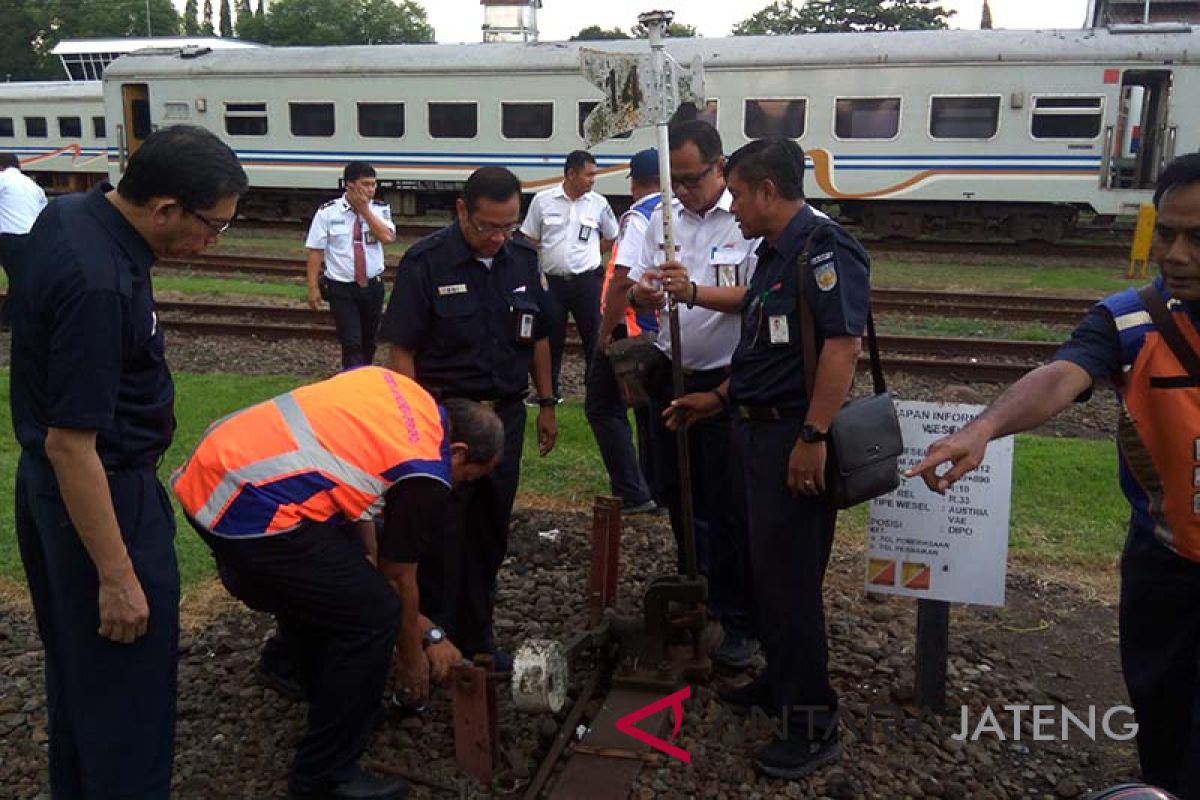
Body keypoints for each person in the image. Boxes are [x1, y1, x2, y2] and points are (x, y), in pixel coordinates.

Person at [907, 152, 1200, 800]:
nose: (1175, 253)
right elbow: (1062, 376)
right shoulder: (1131, 318)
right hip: (1165, 566)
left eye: (1197, 237)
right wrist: (982, 428)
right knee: (1163, 718)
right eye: (1167, 233)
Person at [8, 124, 247, 799]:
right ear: (166, 207)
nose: (212, 241)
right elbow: (70, 443)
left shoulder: (73, 214)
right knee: (128, 700)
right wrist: (116, 575)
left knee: (82, 680)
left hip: (53, 495)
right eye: (213, 225)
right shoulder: (99, 285)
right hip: (100, 498)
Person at [173, 367, 503, 800]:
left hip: (215, 470)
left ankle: (310, 680)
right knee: (373, 618)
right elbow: (400, 578)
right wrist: (412, 659)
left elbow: (352, 488)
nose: (458, 487)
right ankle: (324, 774)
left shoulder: (402, 392)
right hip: (246, 508)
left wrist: (362, 564)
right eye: (468, 478)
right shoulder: (427, 469)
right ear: (458, 452)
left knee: (341, 590)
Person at [667, 137, 871, 779]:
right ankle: (781, 686)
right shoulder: (776, 253)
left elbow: (842, 346)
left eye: (738, 196)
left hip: (792, 441)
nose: (733, 209)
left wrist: (812, 438)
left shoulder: (825, 248)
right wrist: (719, 397)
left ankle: (812, 724)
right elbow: (766, 347)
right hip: (757, 434)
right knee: (766, 578)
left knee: (789, 589)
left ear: (766, 192)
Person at [380, 166, 557, 665]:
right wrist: (413, 426)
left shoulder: (522, 259)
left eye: (508, 226)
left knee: (489, 530)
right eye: (487, 227)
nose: (497, 238)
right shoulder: (427, 262)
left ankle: (477, 638)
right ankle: (430, 639)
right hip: (445, 422)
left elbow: (539, 335)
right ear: (462, 211)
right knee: (437, 534)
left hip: (505, 418)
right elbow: (403, 349)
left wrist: (546, 403)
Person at [627, 120, 759, 670]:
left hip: (729, 381)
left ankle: (737, 616)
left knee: (729, 504)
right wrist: (645, 290)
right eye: (673, 180)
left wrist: (695, 291)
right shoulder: (660, 216)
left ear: (719, 166)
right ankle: (695, 588)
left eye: (691, 178)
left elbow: (760, 297)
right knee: (675, 492)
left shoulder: (750, 216)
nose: (681, 190)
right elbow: (634, 285)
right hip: (671, 373)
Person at [585, 147, 664, 515]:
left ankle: (633, 491)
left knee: (602, 407)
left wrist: (604, 330)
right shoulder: (675, 212)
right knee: (650, 413)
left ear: (634, 181)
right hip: (658, 330)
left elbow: (621, 278)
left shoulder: (640, 216)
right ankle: (656, 489)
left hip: (628, 328)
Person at [519, 149, 619, 399]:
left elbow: (612, 235)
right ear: (571, 174)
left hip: (587, 282)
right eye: (588, 175)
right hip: (553, 284)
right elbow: (529, 238)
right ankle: (549, 392)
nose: (593, 180)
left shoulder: (599, 204)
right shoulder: (543, 201)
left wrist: (591, 254)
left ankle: (595, 390)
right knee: (550, 339)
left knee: (593, 336)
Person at [305, 161, 397, 370]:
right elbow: (315, 251)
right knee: (351, 342)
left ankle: (364, 377)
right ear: (350, 185)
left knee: (369, 341)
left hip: (372, 287)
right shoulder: (328, 212)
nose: (371, 189)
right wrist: (312, 287)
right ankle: (353, 381)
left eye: (373, 184)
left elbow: (387, 237)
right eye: (365, 184)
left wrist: (364, 210)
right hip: (341, 287)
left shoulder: (379, 210)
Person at [0, 152, 48, 325]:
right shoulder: (32, 185)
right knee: (23, 278)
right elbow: (43, 210)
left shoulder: (3, 179)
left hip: (9, 237)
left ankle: (8, 318)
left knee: (19, 280)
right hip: (32, 237)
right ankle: (11, 317)